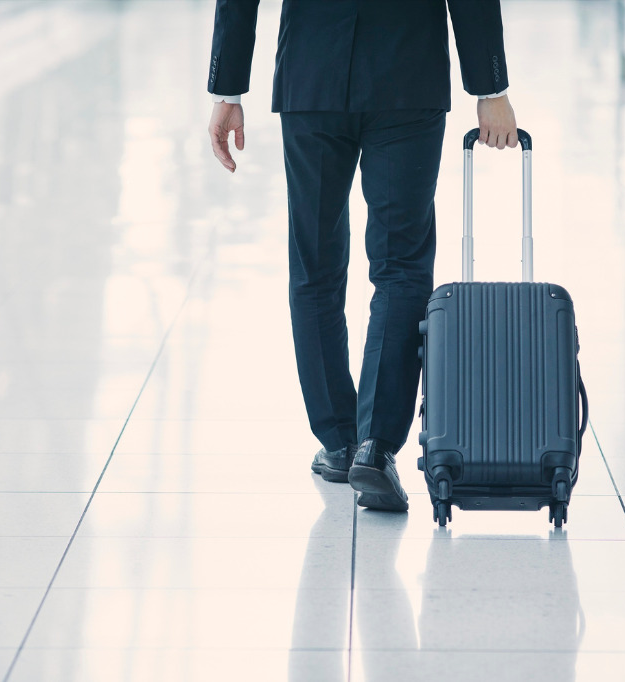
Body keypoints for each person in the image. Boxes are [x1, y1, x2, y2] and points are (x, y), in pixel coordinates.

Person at [208, 0, 518, 512]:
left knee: (315, 267)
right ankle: (374, 446)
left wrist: (228, 88)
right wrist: (489, 89)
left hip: (312, 75)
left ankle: (338, 440)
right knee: (401, 266)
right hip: (407, 75)